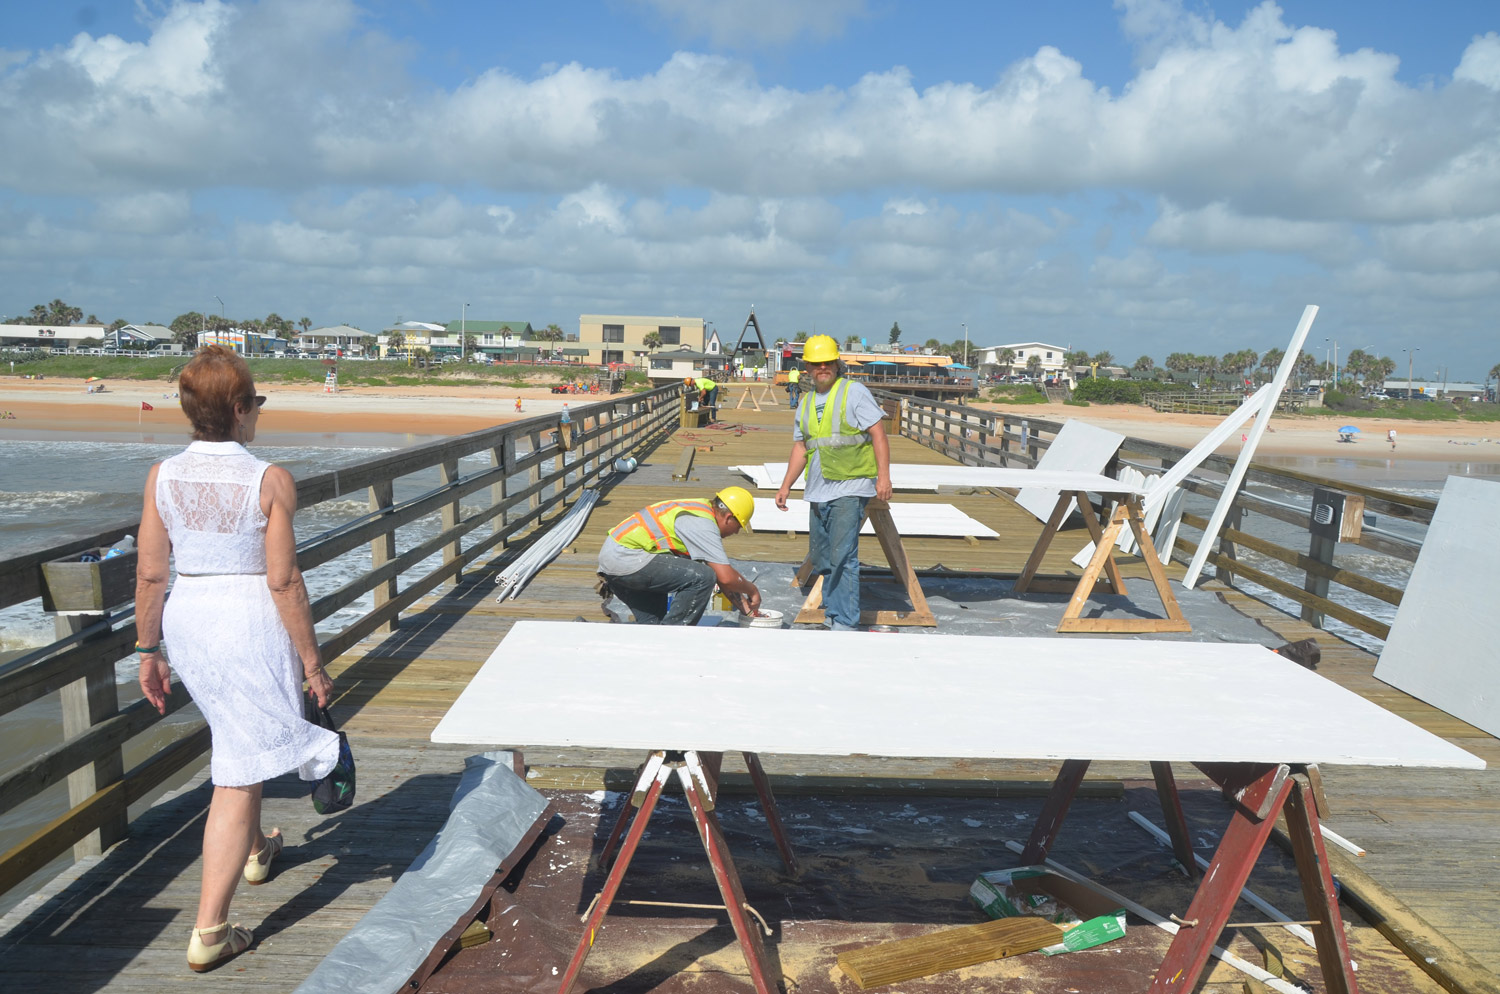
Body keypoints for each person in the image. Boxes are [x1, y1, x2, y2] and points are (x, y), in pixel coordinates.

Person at [134, 345, 338, 973]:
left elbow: (149, 571)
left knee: (235, 733)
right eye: (257, 404)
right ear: (243, 409)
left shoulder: (162, 475)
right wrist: (311, 662)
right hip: (247, 619)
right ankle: (210, 930)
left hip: (190, 615)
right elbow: (284, 582)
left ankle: (256, 851)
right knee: (239, 769)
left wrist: (147, 648)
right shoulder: (268, 478)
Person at [774, 334, 892, 631]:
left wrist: (884, 477)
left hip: (851, 485)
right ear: (808, 369)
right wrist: (786, 485)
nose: (822, 367)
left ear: (837, 365)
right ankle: (832, 613)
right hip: (819, 488)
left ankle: (845, 621)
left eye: (827, 362)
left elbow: (878, 433)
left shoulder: (854, 392)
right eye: (816, 364)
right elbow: (802, 447)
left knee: (843, 556)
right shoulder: (806, 401)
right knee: (822, 555)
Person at [597, 486, 761, 625]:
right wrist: (752, 590)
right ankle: (675, 637)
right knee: (702, 577)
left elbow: (723, 579)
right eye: (738, 526)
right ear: (728, 518)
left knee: (652, 626)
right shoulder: (702, 524)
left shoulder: (701, 509)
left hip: (617, 562)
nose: (737, 531)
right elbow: (726, 578)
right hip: (628, 560)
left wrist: (749, 613)